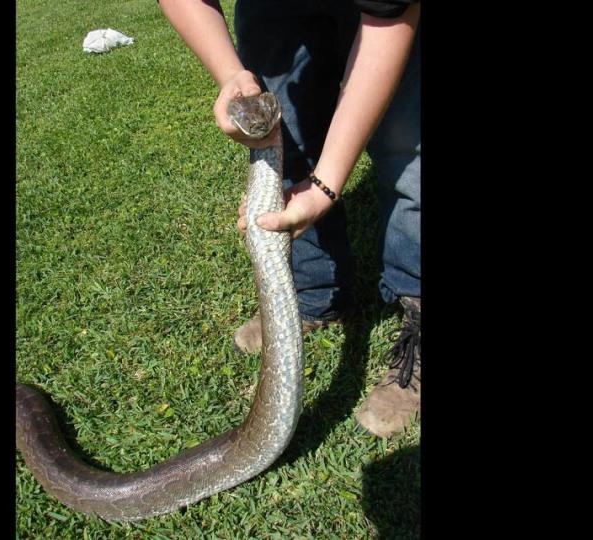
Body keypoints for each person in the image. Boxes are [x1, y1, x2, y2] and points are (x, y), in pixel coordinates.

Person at [159, 0, 420, 438]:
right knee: (288, 126)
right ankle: (314, 293)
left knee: (408, 142)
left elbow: (387, 23)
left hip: (389, 16)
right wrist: (232, 74)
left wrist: (325, 187)